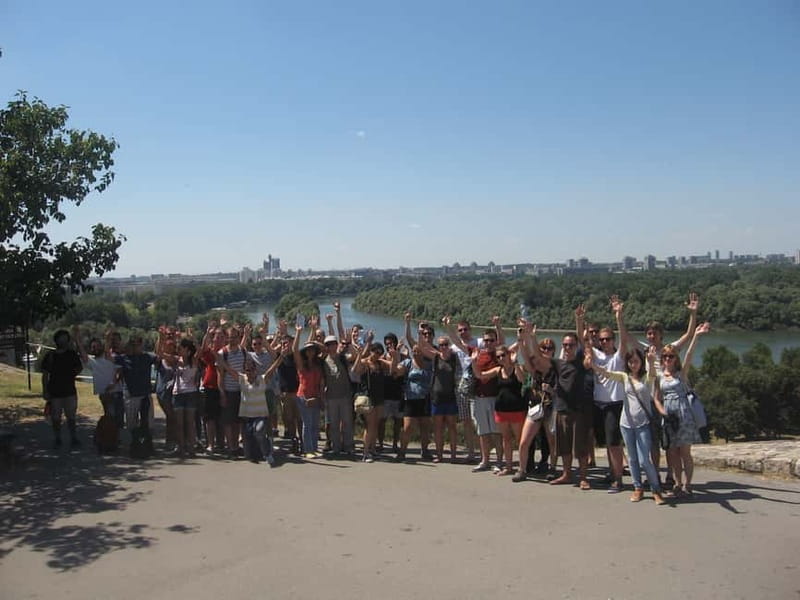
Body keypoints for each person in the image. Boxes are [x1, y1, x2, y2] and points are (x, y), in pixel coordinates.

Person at [592, 347, 666, 505]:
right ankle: (637, 488)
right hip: (626, 424)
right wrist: (592, 364)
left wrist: (651, 361)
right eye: (631, 362)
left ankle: (656, 490)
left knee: (644, 460)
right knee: (632, 459)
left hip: (643, 424)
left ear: (641, 362)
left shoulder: (646, 378)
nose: (634, 365)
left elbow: (653, 374)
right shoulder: (624, 377)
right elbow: (607, 374)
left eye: (637, 361)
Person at [524, 321, 593, 489]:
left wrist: (579, 321)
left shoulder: (581, 362)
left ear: (576, 346)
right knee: (564, 446)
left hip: (580, 411)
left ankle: (583, 478)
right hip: (562, 410)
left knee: (581, 447)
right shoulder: (558, 363)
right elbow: (539, 358)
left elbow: (587, 350)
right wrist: (532, 337)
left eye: (571, 345)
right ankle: (567, 474)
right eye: (565, 345)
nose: (568, 348)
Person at [577, 297, 630, 492]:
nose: (605, 342)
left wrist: (619, 316)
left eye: (608, 339)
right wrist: (580, 321)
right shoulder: (597, 356)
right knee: (607, 444)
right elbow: (584, 342)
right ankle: (611, 474)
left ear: (613, 340)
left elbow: (624, 338)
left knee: (614, 444)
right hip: (598, 404)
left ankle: (618, 479)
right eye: (602, 339)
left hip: (614, 404)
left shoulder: (618, 357)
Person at [658, 322, 711, 496]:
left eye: (671, 356)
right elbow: (656, 398)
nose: (668, 359)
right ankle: (677, 484)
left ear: (675, 358)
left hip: (683, 415)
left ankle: (688, 484)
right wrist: (663, 413)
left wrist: (696, 335)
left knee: (685, 452)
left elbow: (689, 354)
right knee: (672, 452)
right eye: (665, 356)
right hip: (668, 416)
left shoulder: (681, 375)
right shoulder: (659, 376)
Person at [479, 342, 527, 475]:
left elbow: (522, 380)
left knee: (520, 440)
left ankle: (523, 467)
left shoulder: (518, 368)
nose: (501, 358)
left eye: (503, 355)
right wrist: (473, 361)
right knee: (506, 439)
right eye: (498, 357)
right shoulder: (497, 370)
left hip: (516, 410)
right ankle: (509, 467)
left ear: (509, 355)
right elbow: (481, 375)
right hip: (501, 410)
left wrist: (515, 362)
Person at [514, 337, 558, 481]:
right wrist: (521, 341)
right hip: (535, 407)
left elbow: (561, 391)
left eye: (549, 348)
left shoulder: (554, 367)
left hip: (550, 408)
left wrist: (551, 390)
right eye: (543, 348)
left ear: (553, 351)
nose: (546, 350)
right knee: (524, 440)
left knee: (552, 441)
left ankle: (552, 468)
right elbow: (527, 357)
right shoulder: (535, 369)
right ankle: (522, 469)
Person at [352, 332, 394, 463]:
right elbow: (355, 370)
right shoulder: (365, 363)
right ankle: (365, 454)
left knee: (375, 425)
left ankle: (372, 450)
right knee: (369, 426)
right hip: (368, 398)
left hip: (379, 398)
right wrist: (359, 354)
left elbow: (393, 369)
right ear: (370, 351)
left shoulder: (381, 364)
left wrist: (394, 355)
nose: (377, 354)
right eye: (375, 352)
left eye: (379, 352)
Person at [239, 351, 285, 465]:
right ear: (244, 371)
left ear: (256, 370)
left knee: (259, 431)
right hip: (247, 417)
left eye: (252, 370)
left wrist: (282, 355)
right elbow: (228, 368)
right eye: (247, 370)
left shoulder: (262, 379)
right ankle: (257, 451)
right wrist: (218, 357)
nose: (250, 372)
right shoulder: (242, 379)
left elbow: (273, 368)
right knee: (249, 454)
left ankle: (268, 453)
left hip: (260, 416)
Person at [41, 329, 84, 450]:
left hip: (70, 391)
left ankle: (73, 437)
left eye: (65, 338)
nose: (63, 340)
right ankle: (57, 438)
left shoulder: (72, 354)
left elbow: (80, 367)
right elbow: (45, 374)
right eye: (61, 338)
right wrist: (45, 390)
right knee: (56, 418)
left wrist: (71, 375)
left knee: (71, 417)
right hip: (55, 392)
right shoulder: (50, 356)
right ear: (56, 340)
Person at [292, 324, 325, 458]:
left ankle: (314, 448)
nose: (310, 352)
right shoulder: (301, 364)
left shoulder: (318, 363)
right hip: (303, 397)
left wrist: (313, 334)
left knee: (315, 424)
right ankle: (307, 450)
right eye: (308, 350)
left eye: (312, 350)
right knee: (307, 423)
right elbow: (294, 349)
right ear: (305, 352)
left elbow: (325, 349)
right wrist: (299, 332)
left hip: (315, 396)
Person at [74, 326, 121, 420]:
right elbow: (83, 355)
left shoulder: (110, 357)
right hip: (103, 394)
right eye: (93, 347)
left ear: (101, 346)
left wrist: (113, 384)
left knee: (115, 419)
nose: (95, 349)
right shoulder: (92, 362)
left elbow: (119, 371)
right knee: (109, 418)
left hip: (115, 392)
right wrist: (77, 340)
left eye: (97, 346)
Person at [117, 334, 158, 436]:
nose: (136, 347)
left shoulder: (147, 357)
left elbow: (158, 356)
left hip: (145, 395)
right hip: (130, 395)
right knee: (131, 424)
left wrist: (160, 338)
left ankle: (147, 445)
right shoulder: (124, 358)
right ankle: (133, 445)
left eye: (138, 344)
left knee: (148, 424)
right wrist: (108, 340)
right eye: (133, 344)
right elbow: (109, 358)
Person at [217, 325, 247, 457]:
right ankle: (230, 447)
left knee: (238, 421)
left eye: (235, 337)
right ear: (226, 338)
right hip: (229, 391)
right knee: (228, 421)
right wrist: (222, 393)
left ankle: (235, 446)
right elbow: (220, 376)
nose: (232, 339)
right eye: (230, 337)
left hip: (242, 391)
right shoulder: (222, 353)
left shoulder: (243, 351)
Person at [322, 335, 355, 456]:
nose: (331, 346)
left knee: (347, 423)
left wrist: (350, 343)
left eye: (333, 344)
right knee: (334, 424)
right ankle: (336, 447)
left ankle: (348, 446)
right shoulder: (324, 361)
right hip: (331, 396)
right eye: (328, 344)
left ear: (336, 345)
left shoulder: (343, 358)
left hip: (345, 395)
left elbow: (354, 356)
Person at [168, 338, 201, 457]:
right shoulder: (177, 361)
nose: (178, 350)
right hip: (178, 393)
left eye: (180, 348)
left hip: (191, 393)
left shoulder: (194, 360)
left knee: (189, 422)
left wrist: (194, 339)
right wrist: (161, 337)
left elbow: (200, 350)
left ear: (187, 349)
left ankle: (191, 448)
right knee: (179, 423)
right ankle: (181, 448)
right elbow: (161, 354)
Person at [430, 336, 459, 463]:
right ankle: (439, 455)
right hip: (437, 397)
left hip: (450, 396)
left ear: (449, 345)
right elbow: (421, 346)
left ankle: (453, 455)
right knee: (438, 428)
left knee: (452, 427)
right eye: (441, 345)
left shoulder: (454, 358)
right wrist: (419, 332)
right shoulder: (435, 358)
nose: (443, 347)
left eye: (446, 344)